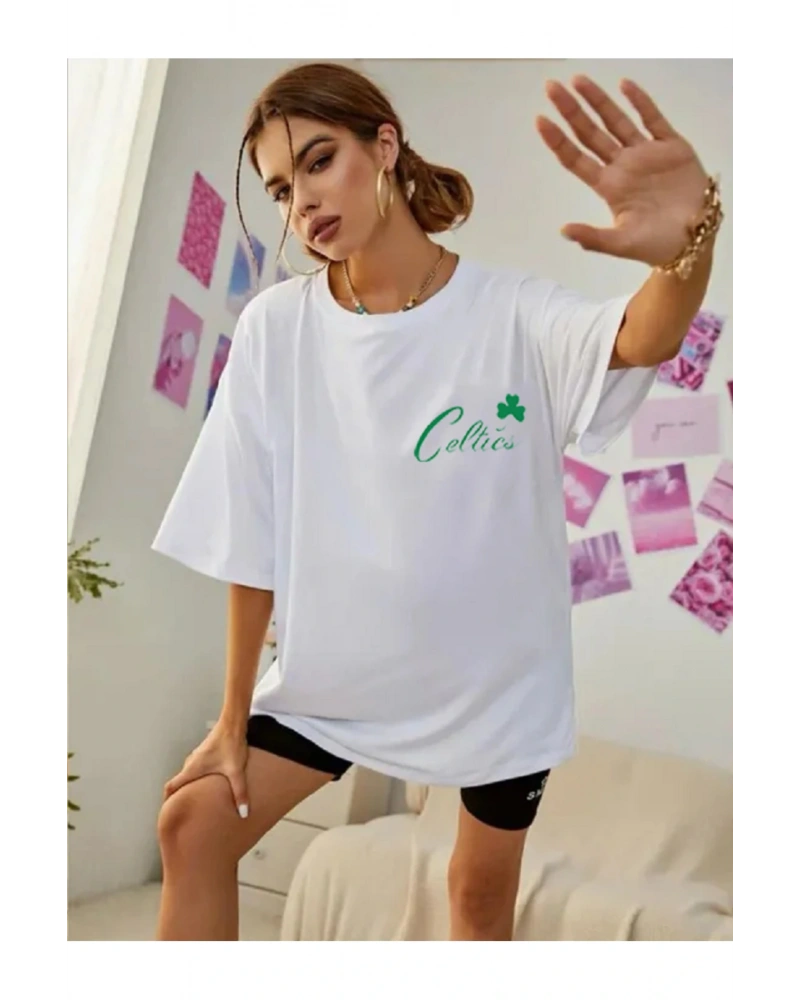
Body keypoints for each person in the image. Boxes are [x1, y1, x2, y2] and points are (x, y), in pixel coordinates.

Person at [152, 62, 722, 941]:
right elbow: (248, 532)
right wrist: (234, 719)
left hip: (498, 690)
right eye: (281, 188)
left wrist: (692, 241)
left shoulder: (512, 312)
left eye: (319, 160)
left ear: (384, 146)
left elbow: (643, 334)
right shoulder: (276, 328)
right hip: (335, 681)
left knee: (477, 897)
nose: (301, 202)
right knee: (192, 827)